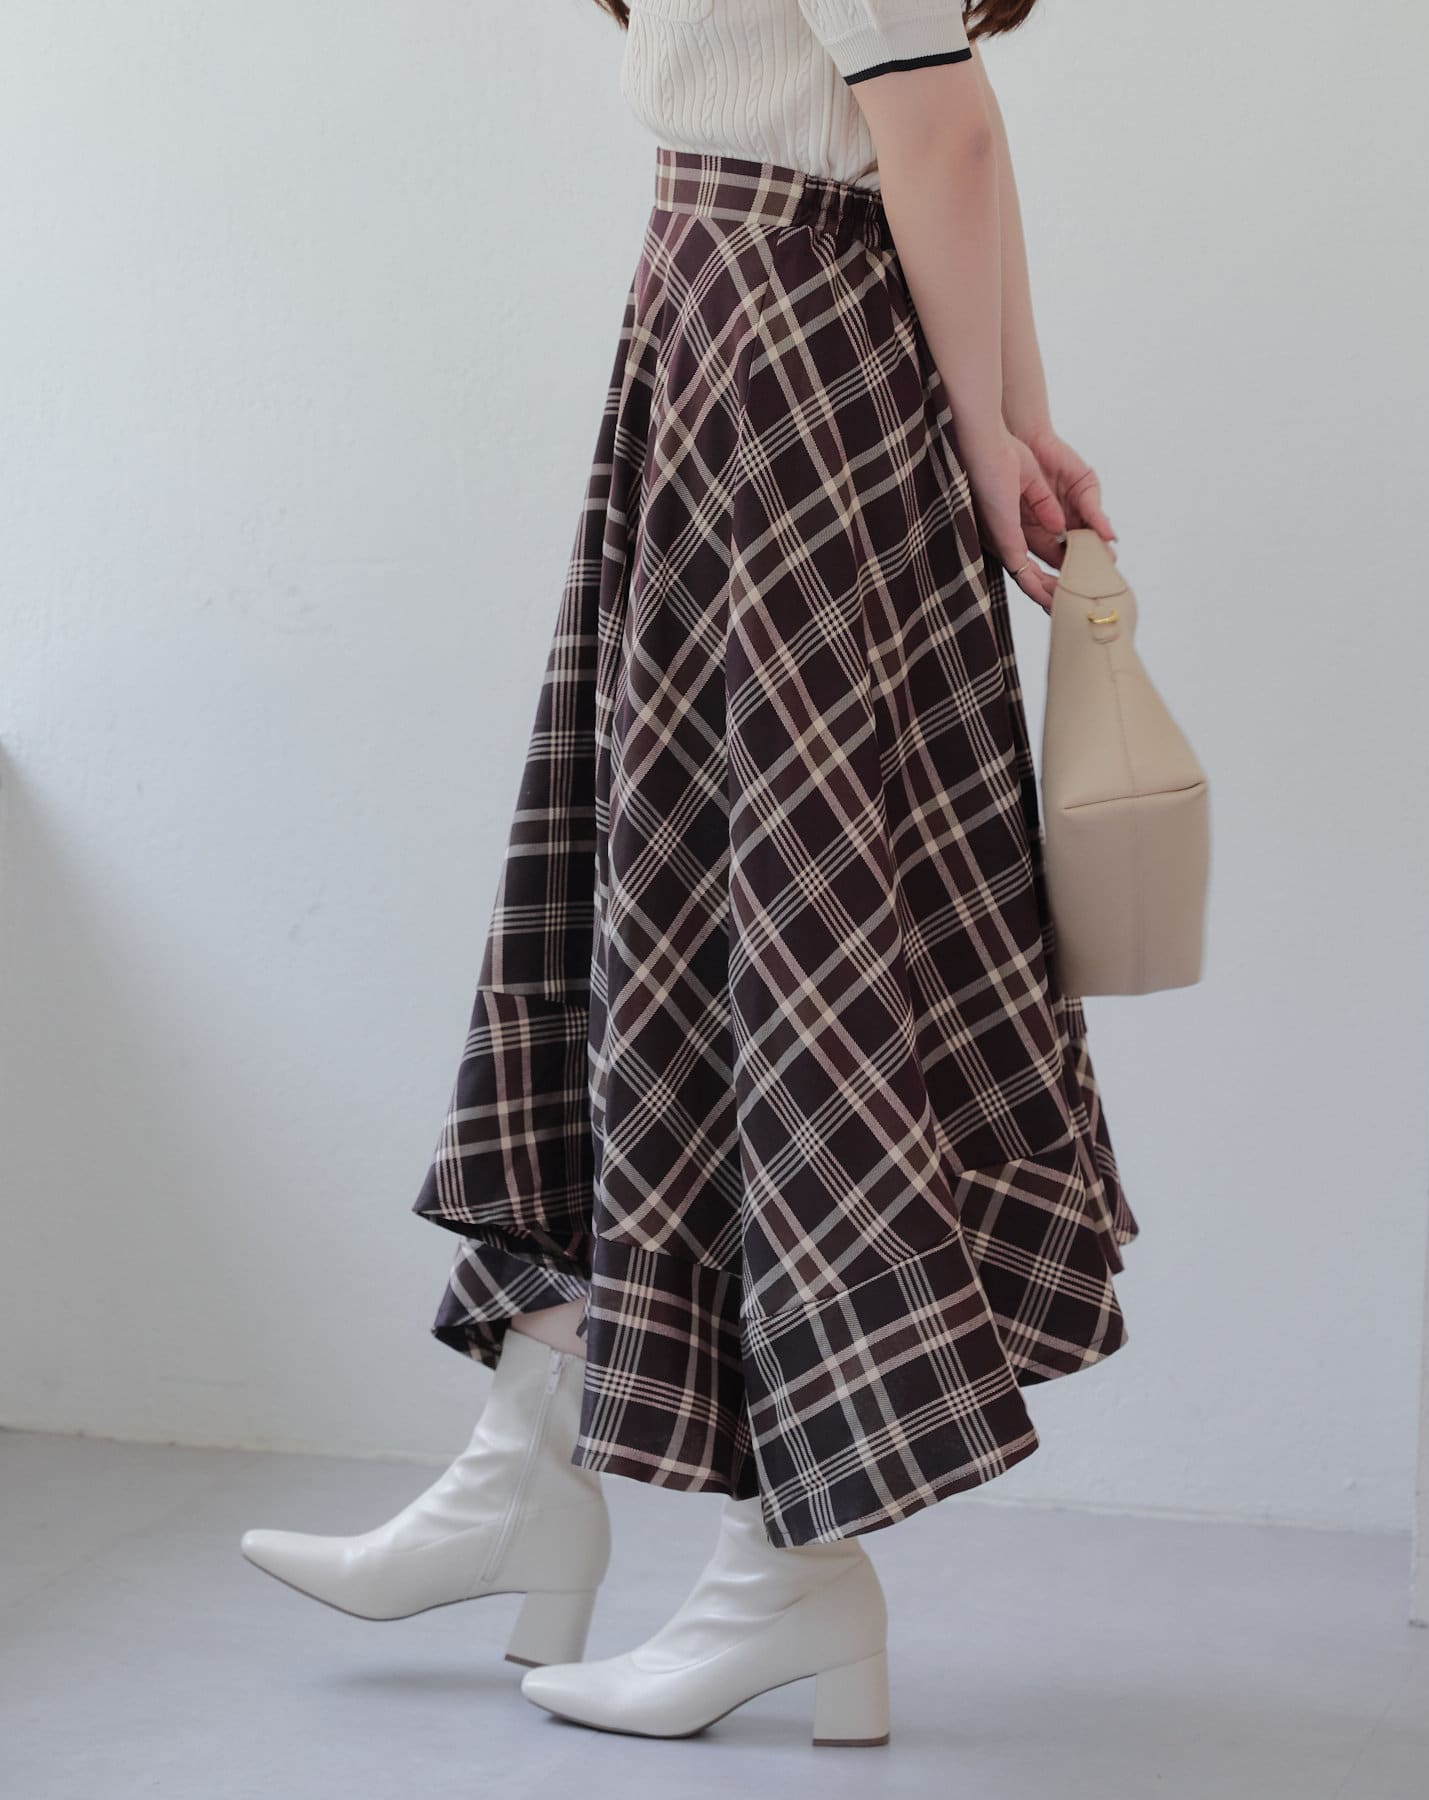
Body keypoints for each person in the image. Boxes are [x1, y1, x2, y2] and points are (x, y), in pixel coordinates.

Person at [242, 0, 1137, 1748]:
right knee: (655, 902)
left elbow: (941, 133)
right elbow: (937, 124)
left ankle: (792, 1561)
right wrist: (1012, 414)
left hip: (791, 367)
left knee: (783, 931)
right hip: (724, 333)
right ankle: (530, 1467)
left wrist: (993, 433)